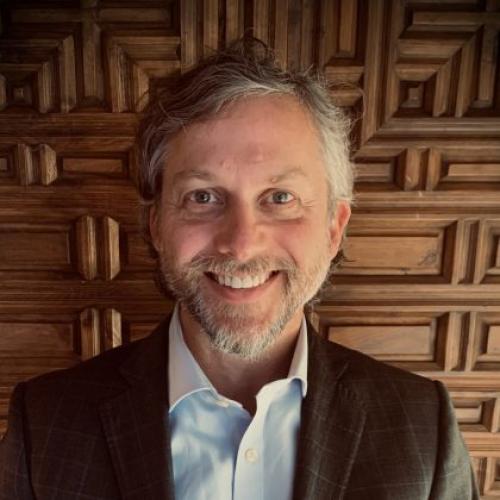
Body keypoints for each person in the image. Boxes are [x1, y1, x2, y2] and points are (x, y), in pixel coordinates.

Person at [0, 38, 478, 500]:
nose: (241, 244)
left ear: (334, 228)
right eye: (203, 196)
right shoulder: (43, 427)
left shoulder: (424, 429)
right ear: (156, 226)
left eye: (280, 197)